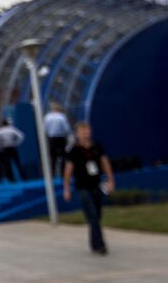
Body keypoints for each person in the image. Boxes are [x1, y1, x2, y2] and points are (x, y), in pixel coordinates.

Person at [63, 121, 115, 255]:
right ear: (77, 134)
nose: (85, 134)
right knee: (92, 214)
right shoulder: (73, 150)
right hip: (82, 187)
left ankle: (94, 244)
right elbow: (68, 170)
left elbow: (105, 163)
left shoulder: (96, 147)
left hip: (96, 184)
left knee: (97, 215)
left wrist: (110, 180)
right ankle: (101, 245)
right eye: (82, 131)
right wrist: (67, 188)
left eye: (87, 131)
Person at [0, 118, 25, 182]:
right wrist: (16, 143)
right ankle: (24, 177)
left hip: (5, 148)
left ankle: (11, 179)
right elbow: (21, 136)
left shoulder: (0, 130)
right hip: (12, 147)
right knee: (18, 163)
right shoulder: (12, 129)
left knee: (7, 164)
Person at [43, 102, 72, 173]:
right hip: (61, 138)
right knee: (63, 156)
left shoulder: (47, 117)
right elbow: (66, 128)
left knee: (53, 157)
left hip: (52, 138)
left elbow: (44, 128)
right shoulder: (62, 116)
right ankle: (63, 172)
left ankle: (52, 173)